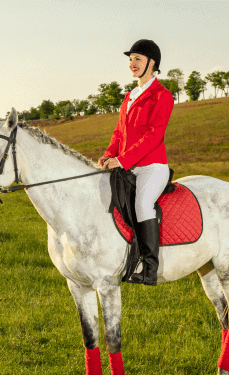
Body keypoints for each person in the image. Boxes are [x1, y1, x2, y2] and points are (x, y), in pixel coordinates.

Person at [98, 39, 174, 285]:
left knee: (142, 203)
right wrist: (109, 155)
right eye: (130, 59)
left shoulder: (161, 96)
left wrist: (122, 160)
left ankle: (150, 268)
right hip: (126, 165)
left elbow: (154, 136)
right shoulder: (129, 97)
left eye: (137, 59)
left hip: (152, 167)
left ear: (152, 64)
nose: (132, 63)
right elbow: (119, 132)